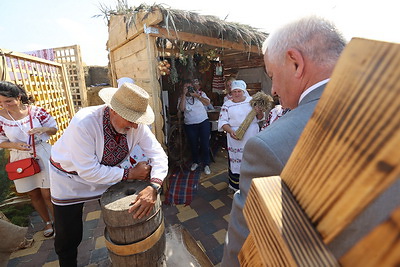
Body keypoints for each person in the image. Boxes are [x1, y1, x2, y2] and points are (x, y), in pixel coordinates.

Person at [221, 16, 347, 267]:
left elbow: (244, 239)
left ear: (296, 63)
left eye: (273, 76)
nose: (275, 89)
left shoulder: (269, 146)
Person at [49, 82, 168, 267]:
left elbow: (159, 155)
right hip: (68, 179)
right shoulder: (85, 122)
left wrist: (154, 186)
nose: (135, 126)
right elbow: (88, 170)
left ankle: (124, 259)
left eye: (137, 120)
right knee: (68, 234)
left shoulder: (137, 126)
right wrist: (131, 173)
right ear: (113, 110)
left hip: (108, 174)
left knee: (122, 218)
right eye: (130, 120)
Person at [0, 81, 57, 238]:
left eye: (8, 101)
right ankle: (47, 222)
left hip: (41, 153)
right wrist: (14, 145)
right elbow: (1, 141)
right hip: (19, 158)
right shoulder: (1, 118)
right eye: (0, 102)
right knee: (33, 193)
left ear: (18, 97)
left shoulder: (36, 111)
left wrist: (43, 129)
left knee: (48, 193)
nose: (5, 106)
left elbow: (54, 128)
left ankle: (59, 222)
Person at [218, 80, 264, 192]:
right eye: (234, 91)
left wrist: (259, 111)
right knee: (236, 162)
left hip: (251, 135)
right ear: (231, 92)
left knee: (250, 160)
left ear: (244, 91)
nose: (237, 94)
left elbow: (260, 118)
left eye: (239, 91)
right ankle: (234, 186)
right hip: (235, 138)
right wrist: (230, 131)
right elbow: (223, 122)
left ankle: (251, 186)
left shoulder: (252, 101)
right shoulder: (227, 105)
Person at [178, 79, 212, 175]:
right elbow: (182, 108)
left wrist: (197, 95)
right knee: (193, 144)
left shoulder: (201, 93)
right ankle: (196, 162)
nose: (188, 89)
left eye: (190, 87)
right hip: (190, 124)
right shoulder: (181, 97)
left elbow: (207, 103)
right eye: (186, 87)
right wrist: (184, 94)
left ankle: (206, 164)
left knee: (205, 144)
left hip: (203, 122)